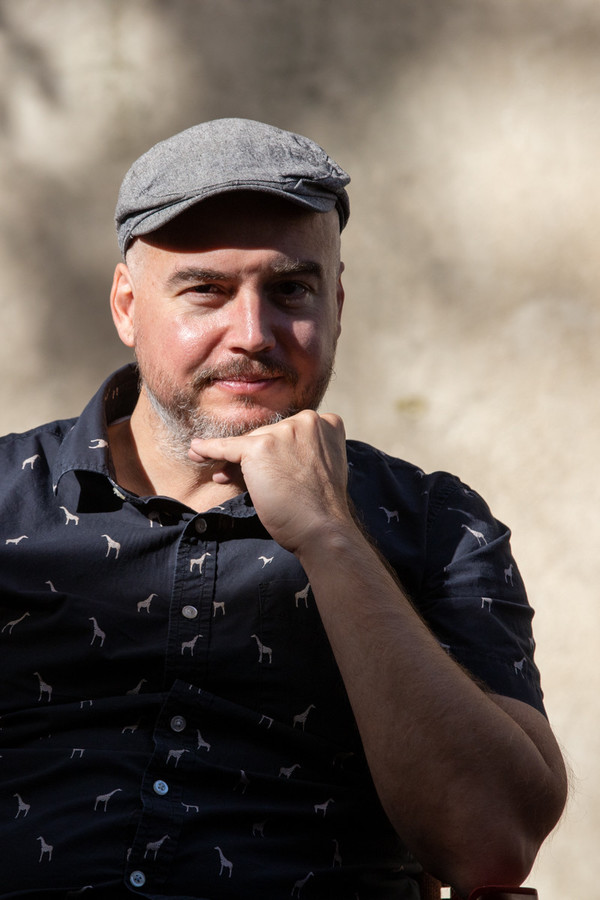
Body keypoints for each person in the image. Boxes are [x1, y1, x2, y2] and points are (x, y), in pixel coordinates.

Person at [0, 118, 566, 900]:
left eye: (291, 290)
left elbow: (492, 844)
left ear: (336, 303)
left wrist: (332, 536)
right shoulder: (10, 500)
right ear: (127, 306)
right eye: (205, 290)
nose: (253, 335)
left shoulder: (435, 525)